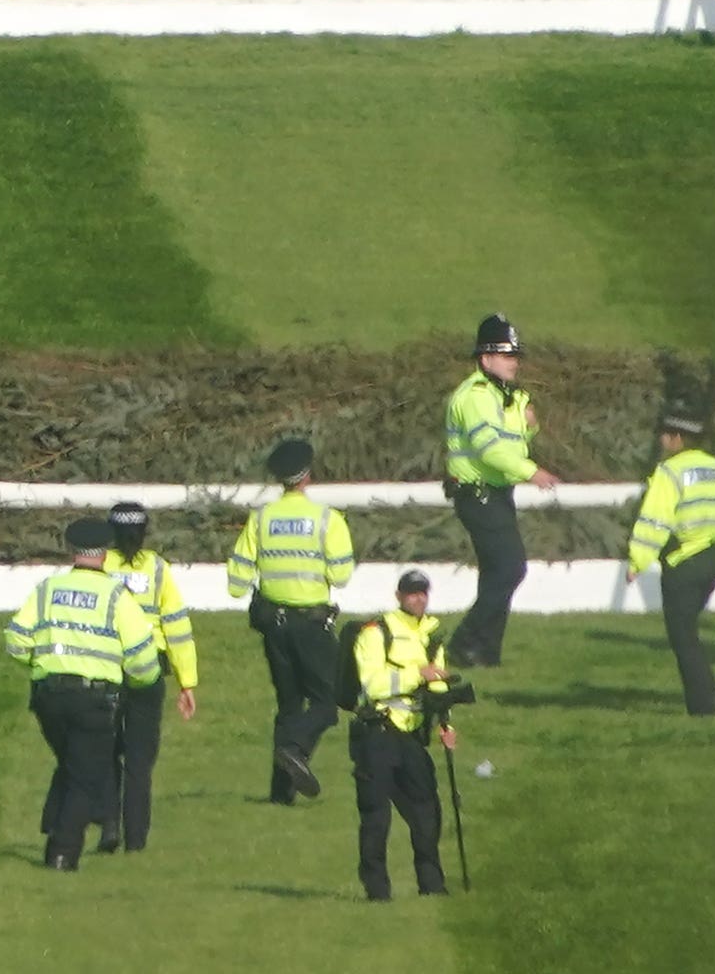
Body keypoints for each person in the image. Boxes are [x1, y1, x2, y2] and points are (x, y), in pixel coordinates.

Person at [9, 515, 156, 872]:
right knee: (85, 778)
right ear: (105, 555)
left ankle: (56, 827)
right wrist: (138, 683)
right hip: (95, 701)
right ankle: (62, 853)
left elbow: (15, 640)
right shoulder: (116, 597)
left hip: (48, 698)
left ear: (71, 551)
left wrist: (38, 665)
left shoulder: (46, 590)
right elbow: (143, 657)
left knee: (74, 766)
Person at [226, 436, 356, 802]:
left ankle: (280, 793)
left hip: (273, 625)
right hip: (310, 624)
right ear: (307, 476)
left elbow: (237, 580)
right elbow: (342, 575)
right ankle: (296, 750)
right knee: (327, 704)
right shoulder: (326, 520)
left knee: (288, 705)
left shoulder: (261, 518)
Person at [442, 315, 551, 665]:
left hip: (496, 492)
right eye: (506, 355)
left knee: (495, 573)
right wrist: (532, 472)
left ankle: (486, 653)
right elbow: (490, 449)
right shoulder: (475, 397)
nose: (514, 362)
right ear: (485, 359)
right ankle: (461, 644)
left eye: (515, 356)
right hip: (477, 492)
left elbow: (513, 442)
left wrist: (531, 428)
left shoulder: (508, 396)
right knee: (510, 569)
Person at [346, 569, 455, 901]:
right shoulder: (375, 632)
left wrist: (445, 724)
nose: (418, 599)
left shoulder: (432, 636)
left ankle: (432, 885)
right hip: (376, 732)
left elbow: (437, 686)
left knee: (427, 811)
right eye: (411, 593)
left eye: (423, 592)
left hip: (411, 736)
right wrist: (416, 674)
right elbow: (373, 684)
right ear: (399, 596)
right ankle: (377, 891)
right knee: (376, 815)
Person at [626, 407, 715, 713]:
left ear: (678, 438)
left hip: (683, 560)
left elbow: (654, 521)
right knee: (689, 629)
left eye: (665, 435)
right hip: (714, 557)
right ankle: (709, 697)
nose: (662, 441)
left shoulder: (669, 472)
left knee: (682, 634)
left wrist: (637, 560)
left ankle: (704, 701)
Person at [103, 500, 196, 852]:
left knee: (107, 751)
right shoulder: (157, 569)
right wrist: (187, 681)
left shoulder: (100, 567)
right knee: (140, 760)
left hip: (107, 667)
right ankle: (136, 839)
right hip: (149, 668)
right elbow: (177, 626)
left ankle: (109, 828)